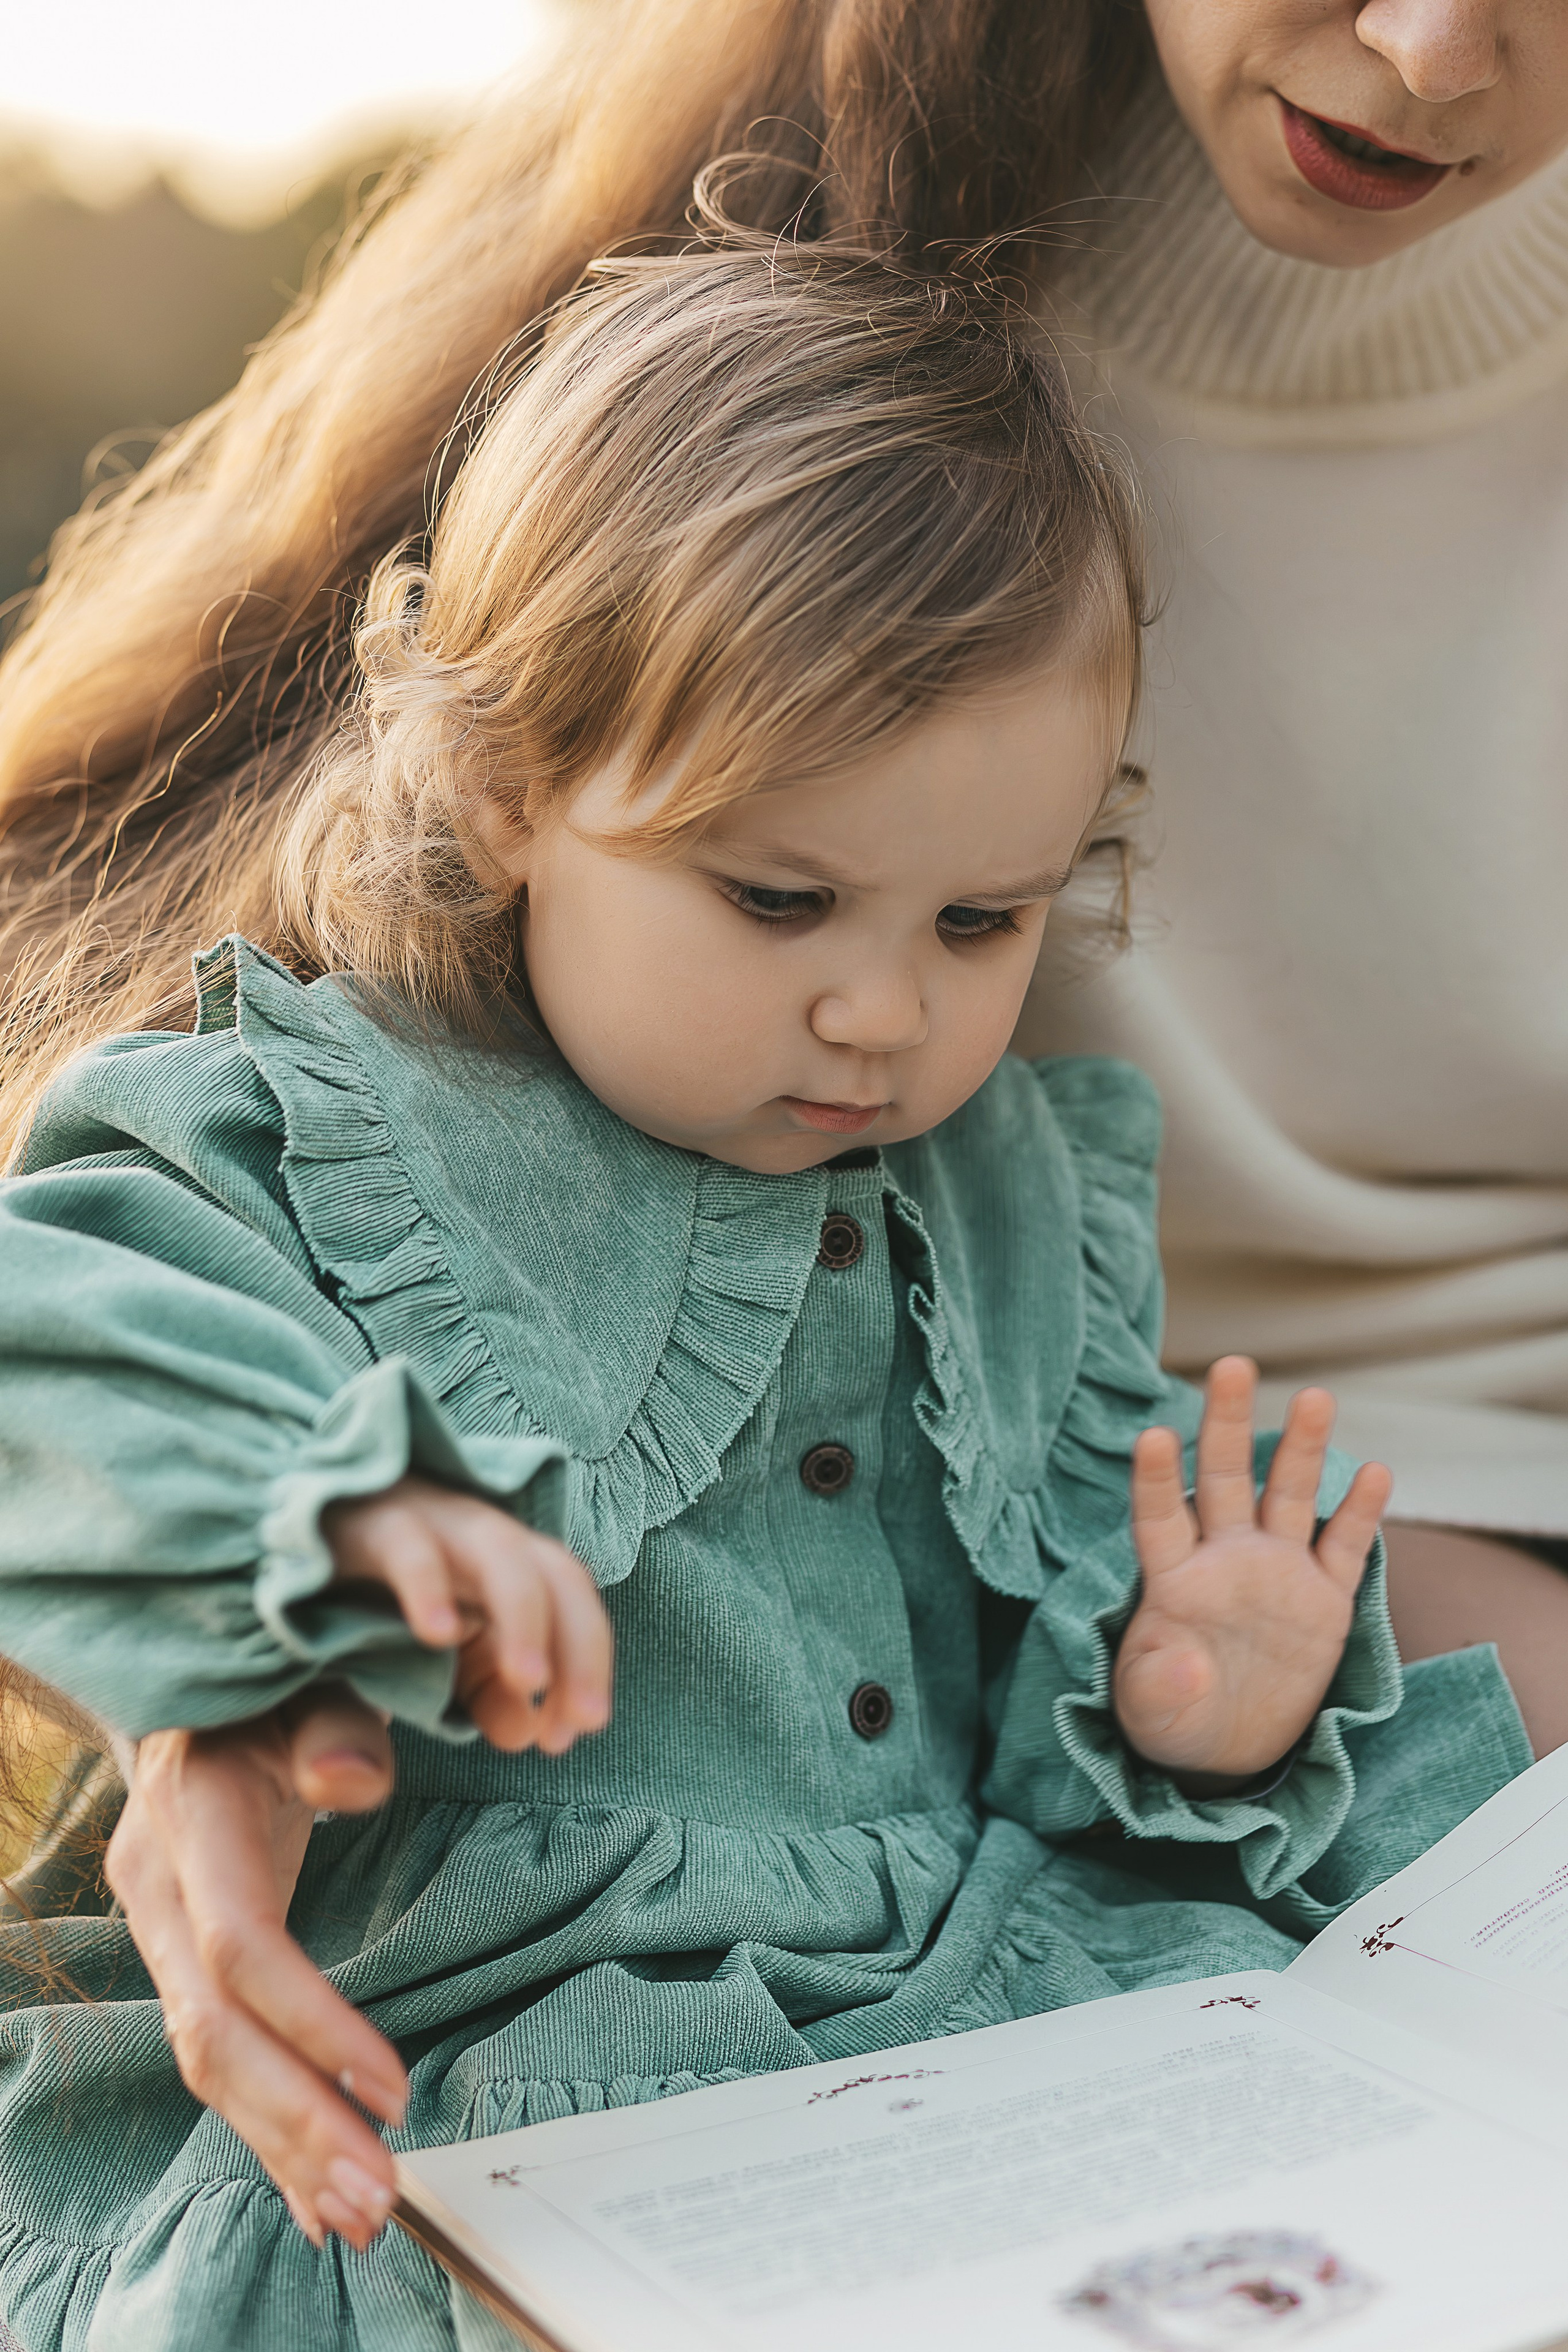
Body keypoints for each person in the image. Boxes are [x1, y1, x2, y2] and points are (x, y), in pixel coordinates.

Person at [0, 235, 1528, 2352]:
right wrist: (322, 1530)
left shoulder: (999, 1197)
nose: (884, 1013)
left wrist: (1186, 1705)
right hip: (494, 2045)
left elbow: (1023, 1712)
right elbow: (62, 1363)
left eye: (985, 918)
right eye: (779, 897)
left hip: (972, 1995)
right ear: (506, 783)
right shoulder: (322, 1121)